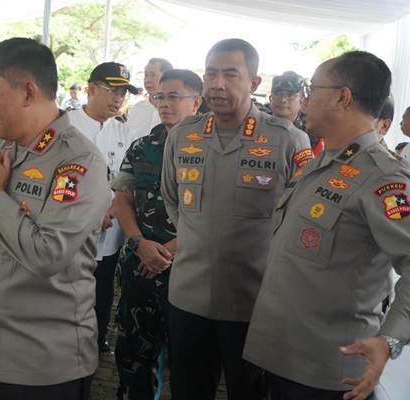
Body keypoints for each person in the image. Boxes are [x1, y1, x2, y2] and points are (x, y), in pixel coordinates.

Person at [0, 37, 111, 399]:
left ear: (27, 91)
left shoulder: (79, 162)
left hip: (41, 363)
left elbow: (47, 254)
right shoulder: (3, 146)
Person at [244, 51, 410, 400]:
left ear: (341, 96)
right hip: (280, 355)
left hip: (324, 373)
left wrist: (389, 339)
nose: (303, 99)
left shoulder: (385, 180)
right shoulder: (322, 159)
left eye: (311, 88)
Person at [160, 38, 312, 400]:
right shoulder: (183, 136)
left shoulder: (288, 139)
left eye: (230, 74)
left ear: (254, 83)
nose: (218, 84)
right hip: (188, 299)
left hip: (253, 304)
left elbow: (299, 217)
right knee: (188, 392)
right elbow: (173, 201)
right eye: (211, 74)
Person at [112, 69, 204, 399]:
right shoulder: (142, 147)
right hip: (138, 267)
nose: (164, 103)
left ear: (196, 102)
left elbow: (213, 217)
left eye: (173, 97)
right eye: (160, 97)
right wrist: (138, 243)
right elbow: (122, 198)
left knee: (189, 364)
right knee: (133, 358)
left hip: (187, 274)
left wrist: (165, 254)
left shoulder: (211, 151)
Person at [68, 61, 138, 354]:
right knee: (67, 294)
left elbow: (125, 184)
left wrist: (109, 213)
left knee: (101, 292)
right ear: (90, 89)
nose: (118, 98)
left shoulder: (125, 134)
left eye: (123, 92)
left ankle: (94, 346)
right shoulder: (64, 125)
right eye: (112, 90)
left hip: (107, 235)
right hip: (68, 234)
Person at [269, 71, 323, 155]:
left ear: (301, 102)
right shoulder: (257, 127)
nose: (283, 99)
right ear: (270, 99)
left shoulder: (312, 135)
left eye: (290, 95)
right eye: (277, 94)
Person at [127, 58, 173, 139]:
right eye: (146, 75)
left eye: (153, 75)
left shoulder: (174, 110)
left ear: (167, 78)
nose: (148, 80)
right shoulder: (136, 109)